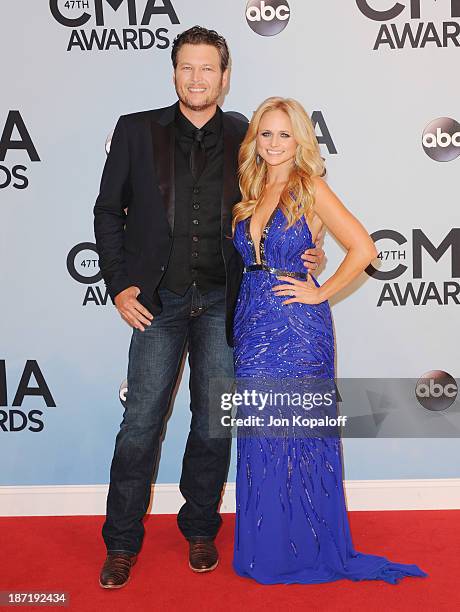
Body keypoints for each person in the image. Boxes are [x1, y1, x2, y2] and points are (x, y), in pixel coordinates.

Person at [93, 28, 323, 588]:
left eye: (207, 69)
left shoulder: (249, 135)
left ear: (225, 75)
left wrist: (307, 248)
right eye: (186, 68)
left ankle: (199, 527)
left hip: (226, 303)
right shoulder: (136, 130)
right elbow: (106, 212)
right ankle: (122, 542)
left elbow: (287, 197)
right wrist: (120, 284)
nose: (197, 79)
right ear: (175, 73)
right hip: (157, 303)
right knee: (140, 426)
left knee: (215, 425)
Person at [231, 97, 428, 584]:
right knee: (261, 437)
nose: (274, 144)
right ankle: (268, 545)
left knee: (298, 437)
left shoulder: (309, 187)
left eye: (284, 134)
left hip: (298, 330)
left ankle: (306, 548)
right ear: (254, 140)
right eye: (265, 134)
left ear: (300, 141)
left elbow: (364, 248)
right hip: (253, 326)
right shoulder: (251, 191)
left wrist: (320, 292)